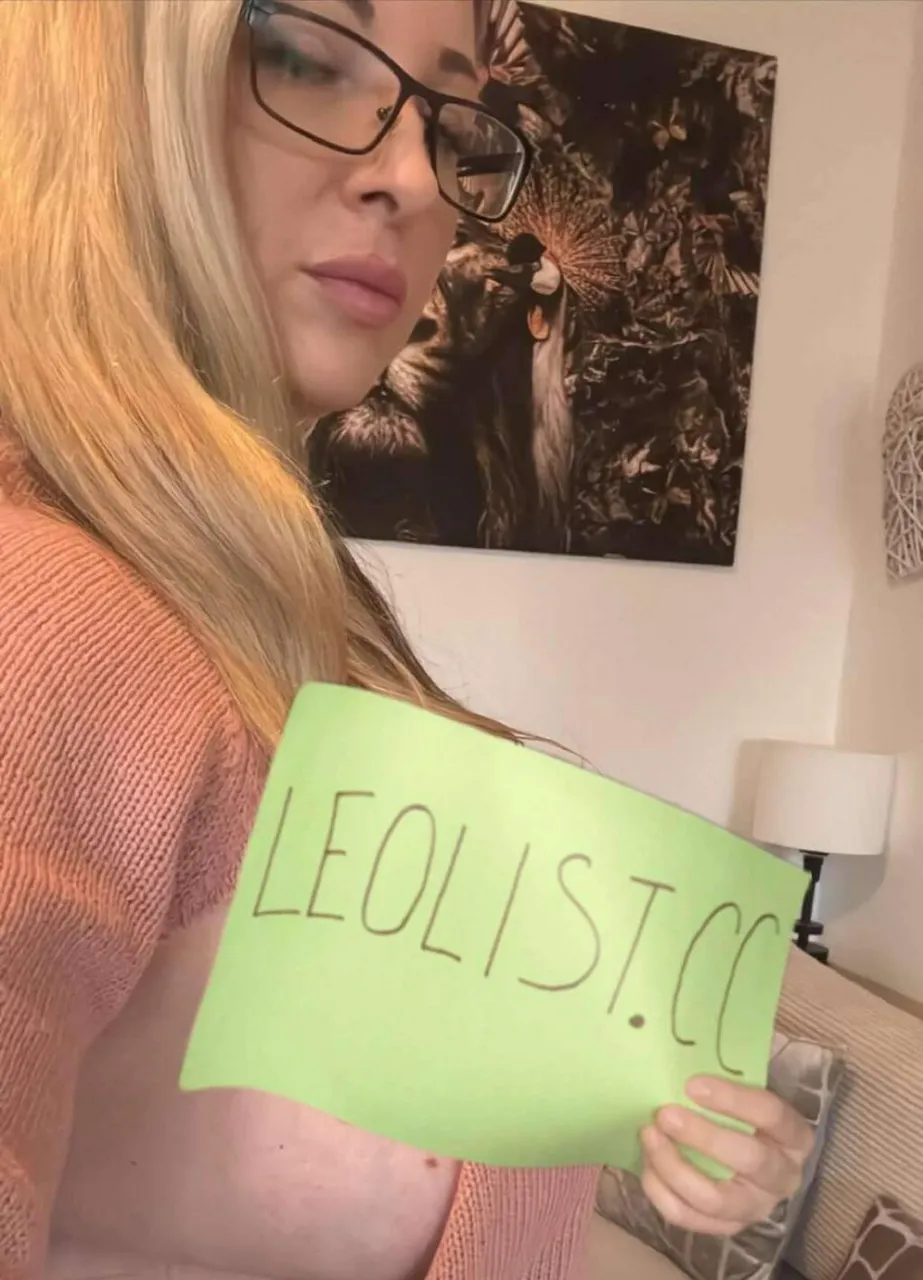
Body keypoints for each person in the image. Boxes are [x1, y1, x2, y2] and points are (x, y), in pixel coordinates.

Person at [0, 2, 813, 1278]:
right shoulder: (55, 607)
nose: (412, 180)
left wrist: (649, 1122)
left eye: (451, 125)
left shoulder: (273, 607)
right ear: (106, 79)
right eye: (303, 55)